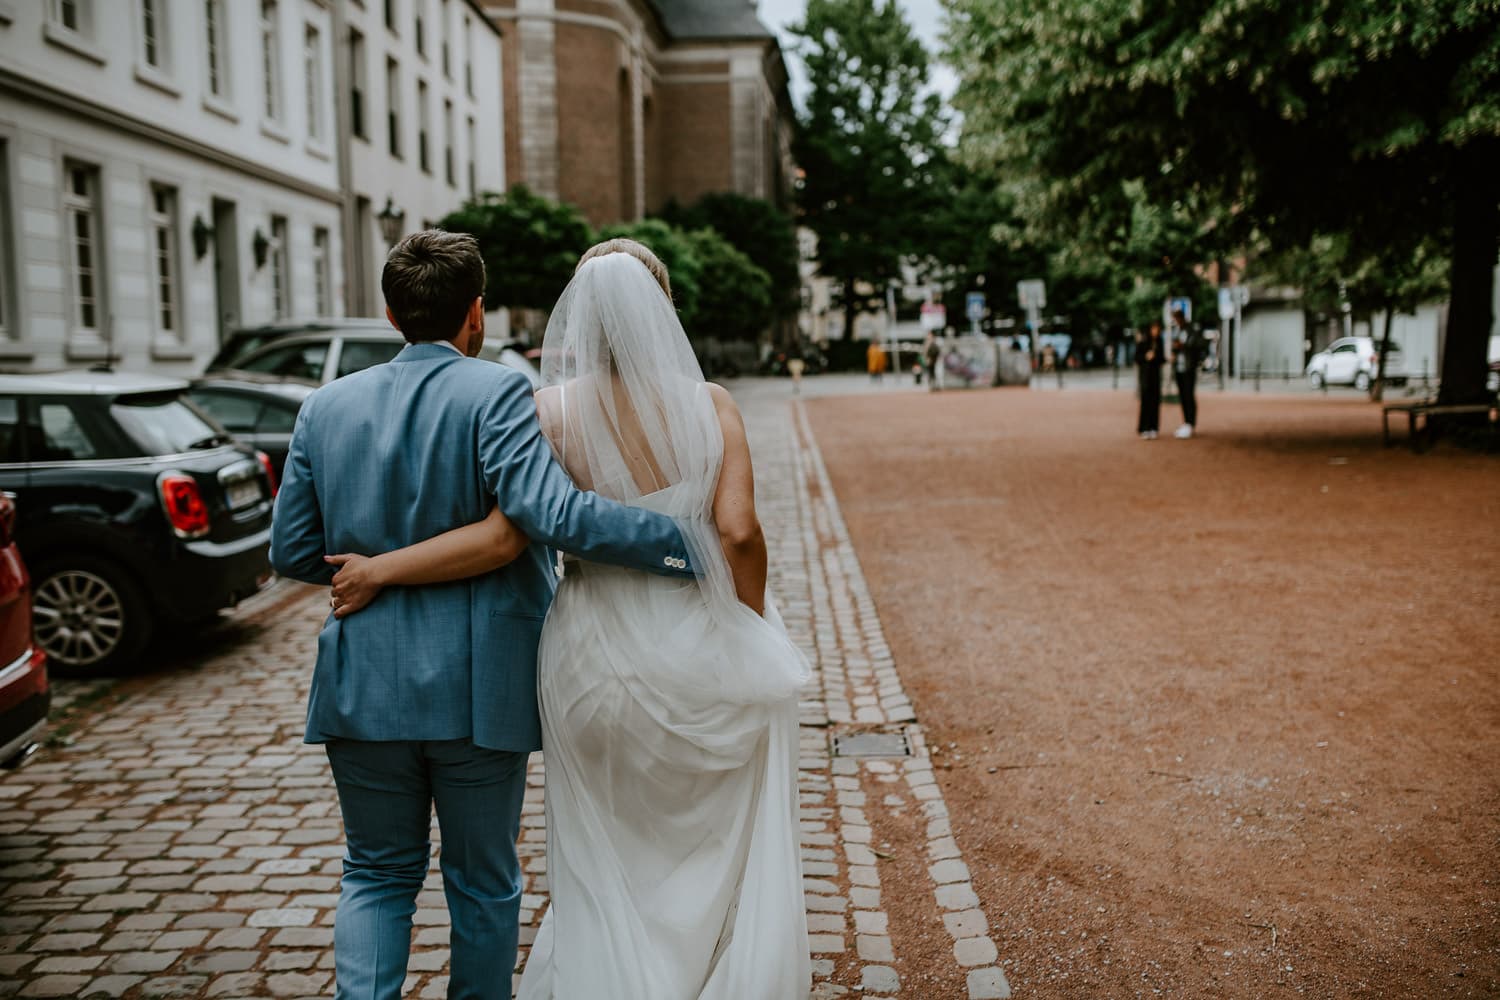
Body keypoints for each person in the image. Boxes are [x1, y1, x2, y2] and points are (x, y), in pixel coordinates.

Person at [324, 239, 813, 999]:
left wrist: (382, 567)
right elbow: (741, 534)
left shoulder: (545, 411)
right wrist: (742, 625)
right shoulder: (709, 403)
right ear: (665, 311)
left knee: (602, 836)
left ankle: (613, 974)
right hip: (695, 632)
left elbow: (513, 531)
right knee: (709, 826)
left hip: (592, 649)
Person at [269, 230, 700, 1000]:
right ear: (476, 312)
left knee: (373, 873)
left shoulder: (324, 407)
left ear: (391, 311)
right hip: (475, 687)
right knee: (482, 880)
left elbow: (294, 549)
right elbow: (553, 514)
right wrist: (686, 545)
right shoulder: (496, 390)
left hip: (360, 682)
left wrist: (375, 569)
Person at [1170, 308, 1203, 438]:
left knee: (1189, 395)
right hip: (1179, 368)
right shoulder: (1177, 331)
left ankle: (1191, 423)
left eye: (1177, 318)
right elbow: (1175, 347)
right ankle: (1186, 422)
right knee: (1183, 396)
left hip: (1189, 368)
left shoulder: (1191, 330)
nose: (1176, 321)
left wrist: (1182, 346)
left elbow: (1196, 345)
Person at [1137, 322, 1165, 439]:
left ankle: (1154, 427)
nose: (1155, 331)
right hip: (1145, 376)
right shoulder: (1143, 342)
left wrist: (1156, 357)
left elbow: (1162, 359)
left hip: (1155, 376)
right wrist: (1146, 357)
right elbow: (1137, 357)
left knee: (1155, 402)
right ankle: (1144, 427)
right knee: (1146, 402)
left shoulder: (1159, 342)